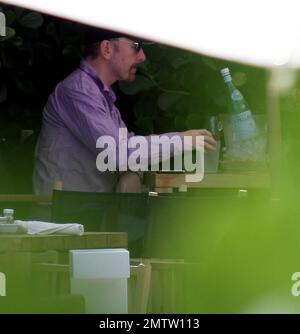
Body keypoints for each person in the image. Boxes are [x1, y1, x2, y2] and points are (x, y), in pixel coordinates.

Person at [33, 27, 216, 195]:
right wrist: (182, 140)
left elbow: (126, 148)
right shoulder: (78, 90)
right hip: (59, 223)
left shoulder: (99, 93)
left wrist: (134, 172)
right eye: (136, 46)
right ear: (107, 49)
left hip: (83, 216)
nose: (143, 56)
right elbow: (117, 153)